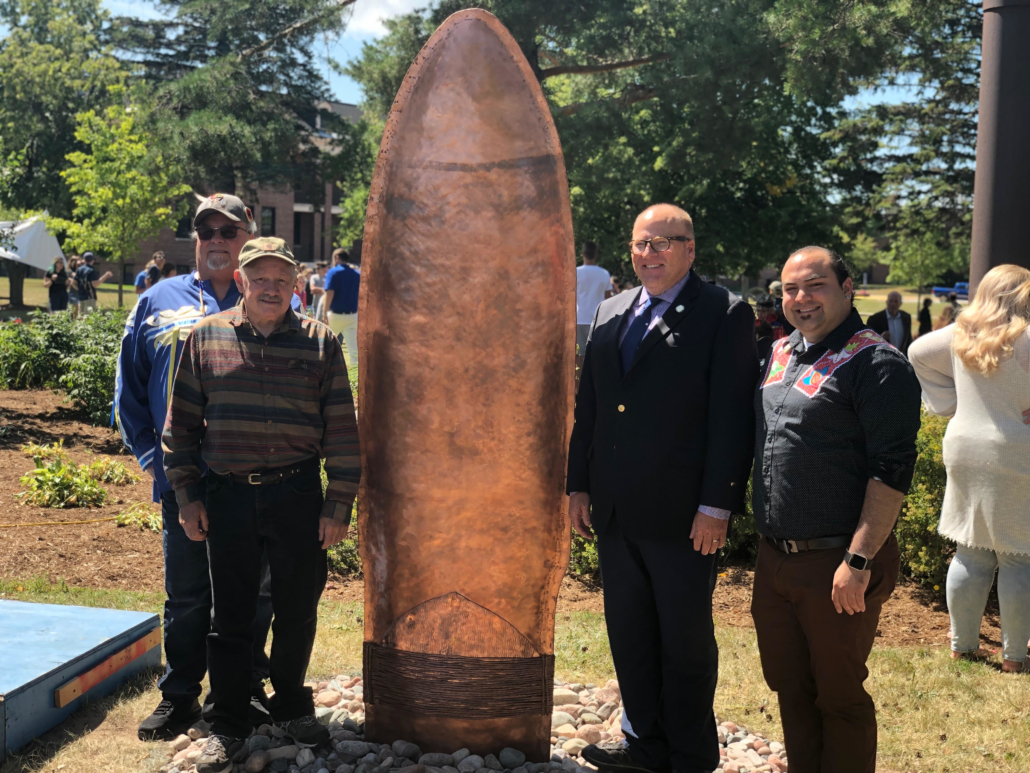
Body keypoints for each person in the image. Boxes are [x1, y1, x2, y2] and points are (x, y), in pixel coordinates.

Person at [567, 204, 758, 773]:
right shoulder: (611, 310)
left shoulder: (724, 313)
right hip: (616, 510)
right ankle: (645, 744)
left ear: (690, 249)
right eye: (639, 244)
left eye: (662, 244)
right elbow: (591, 407)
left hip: (684, 515)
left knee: (686, 645)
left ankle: (691, 755)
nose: (648, 255)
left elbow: (731, 418)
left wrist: (716, 503)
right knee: (629, 636)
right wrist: (578, 485)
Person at [162, 237, 360, 773]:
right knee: (230, 615)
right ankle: (227, 719)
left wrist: (338, 503)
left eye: (281, 279)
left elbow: (342, 429)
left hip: (298, 494)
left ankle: (292, 705)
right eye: (260, 278)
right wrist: (187, 497)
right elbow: (179, 428)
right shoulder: (205, 338)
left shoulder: (321, 343)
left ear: (295, 284)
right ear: (243, 281)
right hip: (227, 496)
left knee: (297, 608)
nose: (270, 288)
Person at [115, 194, 293, 741]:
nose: (216, 238)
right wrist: (157, 463)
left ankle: (243, 688)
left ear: (247, 237)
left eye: (228, 229)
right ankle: (180, 695)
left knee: (255, 593)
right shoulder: (156, 299)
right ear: (195, 240)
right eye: (205, 230)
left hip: (252, 484)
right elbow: (129, 390)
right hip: (185, 480)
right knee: (189, 593)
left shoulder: (273, 301)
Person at [750, 246, 921, 773]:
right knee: (790, 686)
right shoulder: (780, 353)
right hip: (776, 558)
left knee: (839, 695)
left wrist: (860, 560)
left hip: (838, 563)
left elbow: (891, 471)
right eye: (790, 289)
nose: (800, 299)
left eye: (815, 285)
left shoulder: (878, 364)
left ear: (848, 289)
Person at [908, 265, 1030, 674]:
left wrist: (950, 404)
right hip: (1018, 451)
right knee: (1019, 557)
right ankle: (1014, 658)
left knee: (970, 551)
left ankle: (962, 646)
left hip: (963, 447)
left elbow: (917, 353)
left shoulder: (962, 333)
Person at [575, 241, 613, 376]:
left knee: (579, 357)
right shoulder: (604, 273)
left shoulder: (576, 273)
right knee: (597, 356)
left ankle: (578, 391)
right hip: (598, 321)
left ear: (582, 254)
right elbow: (609, 299)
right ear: (596, 255)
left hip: (579, 319)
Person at [323, 248, 360, 369]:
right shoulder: (357, 274)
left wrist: (324, 312)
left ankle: (322, 371)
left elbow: (330, 294)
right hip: (352, 315)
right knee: (353, 351)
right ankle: (355, 380)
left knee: (324, 345)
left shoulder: (333, 272)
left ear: (337, 257)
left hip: (336, 315)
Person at [867, 290, 913, 355]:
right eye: (890, 301)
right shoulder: (874, 319)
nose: (893, 304)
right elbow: (867, 341)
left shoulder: (906, 318)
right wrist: (880, 337)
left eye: (896, 301)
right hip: (882, 359)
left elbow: (908, 339)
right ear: (886, 302)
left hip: (901, 359)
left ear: (900, 303)